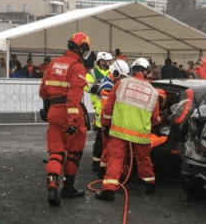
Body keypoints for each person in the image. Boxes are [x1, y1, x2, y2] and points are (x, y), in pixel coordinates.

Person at [95, 58, 161, 201]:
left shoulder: (121, 84)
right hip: (140, 134)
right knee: (144, 159)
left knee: (115, 159)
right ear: (146, 71)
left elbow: (107, 109)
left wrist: (106, 125)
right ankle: (149, 184)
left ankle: (108, 190)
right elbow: (155, 119)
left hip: (120, 131)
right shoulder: (153, 92)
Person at [39, 32, 92, 206]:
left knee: (56, 152)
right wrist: (73, 121)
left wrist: (50, 107)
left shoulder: (53, 64)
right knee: (74, 152)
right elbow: (73, 97)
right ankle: (68, 187)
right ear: (82, 49)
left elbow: (43, 92)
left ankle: (52, 187)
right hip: (71, 113)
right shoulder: (77, 68)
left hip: (54, 112)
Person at [85, 51, 114, 172]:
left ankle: (107, 162)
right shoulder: (92, 73)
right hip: (99, 108)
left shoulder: (112, 71)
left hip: (110, 106)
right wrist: (97, 89)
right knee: (100, 140)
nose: (109, 63)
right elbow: (86, 85)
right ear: (101, 61)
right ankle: (96, 164)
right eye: (108, 60)